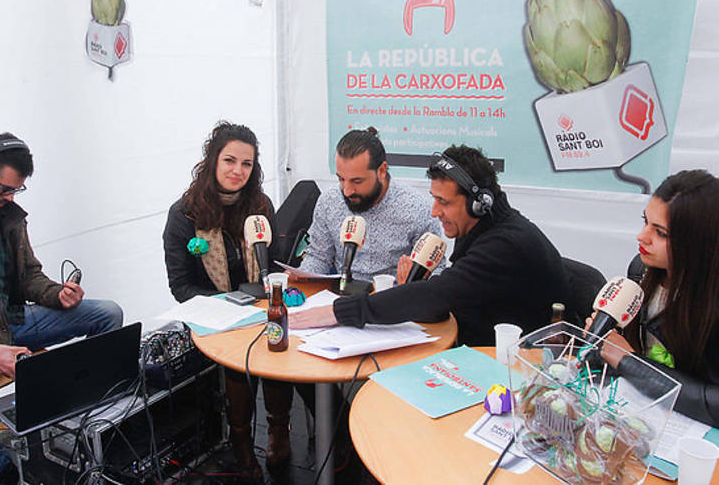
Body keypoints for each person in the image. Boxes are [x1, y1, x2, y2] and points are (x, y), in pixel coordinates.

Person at [290, 144, 572, 347]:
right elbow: (449, 298)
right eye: (434, 199)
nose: (435, 211)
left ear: (478, 204)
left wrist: (337, 313)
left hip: (517, 368)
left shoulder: (505, 244)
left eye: (444, 202)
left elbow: (439, 294)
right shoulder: (477, 225)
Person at [0, 133, 123, 483]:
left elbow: (27, 278)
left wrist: (57, 294)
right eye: (5, 189)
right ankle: (1, 473)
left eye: (15, 191)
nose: (9, 197)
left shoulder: (8, 215)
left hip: (13, 321)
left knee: (108, 313)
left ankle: (94, 417)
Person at [162, 122, 298, 478]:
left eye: (247, 164)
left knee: (278, 344)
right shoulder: (184, 215)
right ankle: (241, 445)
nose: (238, 171)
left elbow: (275, 264)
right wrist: (231, 306)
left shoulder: (260, 204)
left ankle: (279, 431)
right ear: (212, 161)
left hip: (261, 307)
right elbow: (180, 287)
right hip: (217, 314)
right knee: (238, 362)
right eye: (230, 161)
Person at [592, 170, 719, 426]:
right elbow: (626, 353)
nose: (642, 236)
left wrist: (629, 361)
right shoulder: (640, 272)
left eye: (660, 233)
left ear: (698, 242)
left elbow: (714, 404)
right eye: (645, 221)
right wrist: (600, 343)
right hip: (641, 413)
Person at [294, 127, 444, 282]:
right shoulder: (329, 202)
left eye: (357, 181)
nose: (347, 191)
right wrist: (298, 277)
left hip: (392, 299)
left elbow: (436, 271)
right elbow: (319, 257)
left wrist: (413, 282)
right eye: (341, 179)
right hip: (340, 296)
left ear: (382, 171)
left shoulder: (416, 209)